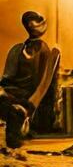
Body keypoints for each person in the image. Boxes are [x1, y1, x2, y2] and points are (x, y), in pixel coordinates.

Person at [1, 11, 57, 148]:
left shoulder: (43, 50)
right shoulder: (18, 49)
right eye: (29, 23)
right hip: (13, 91)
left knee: (13, 109)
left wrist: (31, 104)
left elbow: (44, 81)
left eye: (35, 23)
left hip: (26, 94)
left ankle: (14, 138)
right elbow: (8, 77)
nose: (32, 26)